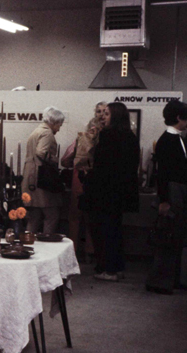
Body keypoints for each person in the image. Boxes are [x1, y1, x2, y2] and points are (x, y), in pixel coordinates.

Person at [82, 102, 139, 282]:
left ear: (114, 116)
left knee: (102, 232)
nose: (102, 117)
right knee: (115, 230)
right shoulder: (130, 136)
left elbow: (101, 166)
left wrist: (88, 173)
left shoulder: (108, 136)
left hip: (104, 193)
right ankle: (117, 267)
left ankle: (108, 268)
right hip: (120, 193)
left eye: (106, 114)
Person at [145, 100, 187, 294]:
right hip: (172, 192)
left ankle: (170, 279)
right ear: (179, 117)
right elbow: (162, 174)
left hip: (176, 191)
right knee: (168, 237)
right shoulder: (168, 140)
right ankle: (159, 281)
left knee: (175, 236)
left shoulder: (176, 138)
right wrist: (164, 200)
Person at [65, 101, 107, 258]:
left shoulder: (81, 139)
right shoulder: (106, 139)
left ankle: (74, 252)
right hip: (94, 178)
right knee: (91, 217)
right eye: (99, 111)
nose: (101, 114)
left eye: (104, 111)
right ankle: (89, 252)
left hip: (82, 177)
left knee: (76, 217)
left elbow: (66, 159)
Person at [21, 106, 65, 234]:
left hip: (31, 179)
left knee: (34, 217)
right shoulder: (47, 133)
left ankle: (28, 244)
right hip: (42, 180)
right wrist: (55, 160)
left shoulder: (36, 131)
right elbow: (41, 152)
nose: (59, 128)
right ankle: (47, 245)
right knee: (51, 216)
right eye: (59, 124)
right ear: (54, 122)